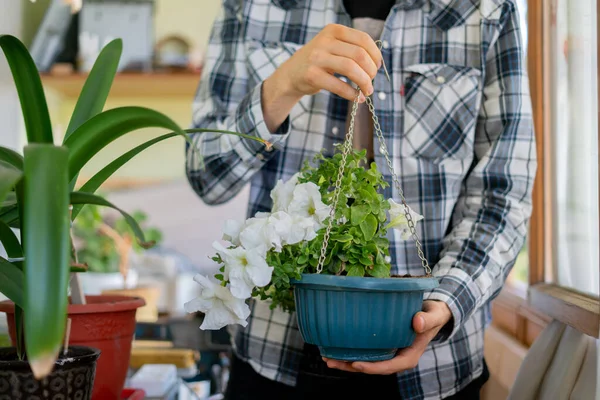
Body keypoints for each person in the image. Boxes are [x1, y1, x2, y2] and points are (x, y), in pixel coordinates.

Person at [185, 0, 536, 399]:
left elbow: (503, 195)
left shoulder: (484, 11)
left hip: (432, 368)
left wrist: (446, 301)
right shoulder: (252, 6)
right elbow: (205, 176)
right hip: (274, 355)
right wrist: (283, 85)